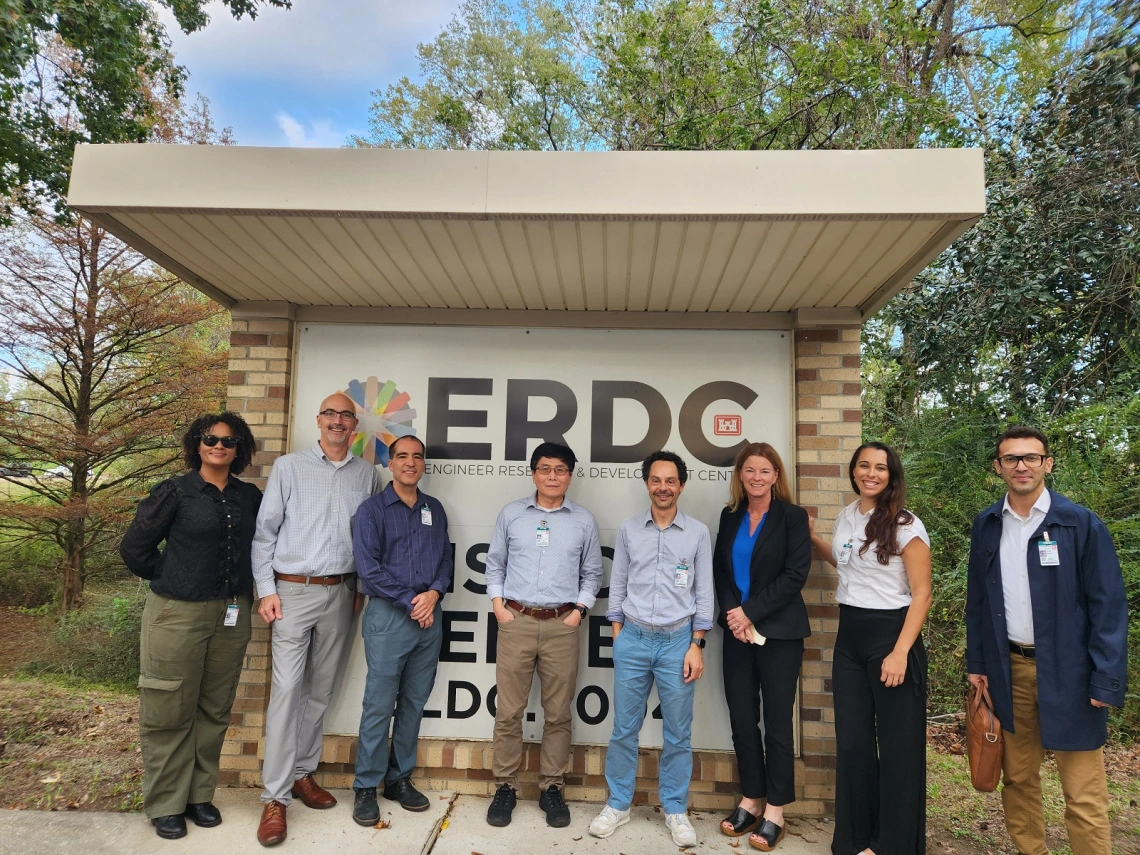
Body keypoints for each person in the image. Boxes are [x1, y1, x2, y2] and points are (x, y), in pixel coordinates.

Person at [966, 425, 1127, 855]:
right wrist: (978, 664)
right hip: (1009, 670)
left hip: (1072, 673)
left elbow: (1108, 606)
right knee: (1019, 780)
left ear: (1047, 464)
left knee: (1084, 793)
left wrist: (1106, 678)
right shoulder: (987, 524)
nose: (1022, 466)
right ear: (998, 467)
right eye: (1012, 459)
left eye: (1031, 457)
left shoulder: (1079, 524)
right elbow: (978, 603)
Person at [120, 412, 262, 840]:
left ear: (240, 449)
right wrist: (174, 575)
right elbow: (134, 548)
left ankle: (200, 796)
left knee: (214, 707)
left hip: (232, 614)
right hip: (177, 613)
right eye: (209, 438)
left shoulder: (249, 497)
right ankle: (167, 802)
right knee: (169, 707)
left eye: (228, 440)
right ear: (196, 444)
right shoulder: (175, 492)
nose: (218, 445)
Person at [252, 392, 383, 847]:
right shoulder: (290, 467)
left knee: (321, 690)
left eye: (346, 416)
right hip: (292, 591)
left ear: (355, 426)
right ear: (319, 420)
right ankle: (275, 797)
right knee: (288, 690)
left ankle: (304, 774)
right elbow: (264, 533)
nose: (338, 421)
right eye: (330, 414)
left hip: (342, 593)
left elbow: (370, 539)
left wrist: (361, 589)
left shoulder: (368, 474)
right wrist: (266, 590)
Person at [808, 442, 932, 855]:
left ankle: (892, 845)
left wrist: (899, 652)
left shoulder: (905, 524)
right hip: (851, 638)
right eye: (864, 465)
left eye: (880, 467)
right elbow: (846, 565)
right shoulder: (847, 516)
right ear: (854, 471)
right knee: (854, 743)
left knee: (898, 748)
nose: (871, 473)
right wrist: (812, 539)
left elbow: (922, 594)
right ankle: (854, 839)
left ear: (891, 475)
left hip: (892, 636)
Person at [588, 450, 712, 848]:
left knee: (678, 733)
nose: (663, 487)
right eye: (656, 480)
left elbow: (704, 594)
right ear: (647, 483)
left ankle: (675, 809)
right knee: (624, 728)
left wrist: (696, 643)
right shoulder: (628, 529)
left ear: (682, 485)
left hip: (679, 642)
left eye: (671, 480)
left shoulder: (697, 533)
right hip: (634, 640)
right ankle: (619, 803)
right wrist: (618, 633)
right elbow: (618, 583)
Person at [484, 441, 603, 828]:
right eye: (545, 468)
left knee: (557, 714)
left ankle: (552, 787)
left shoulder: (583, 520)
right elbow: (495, 564)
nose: (553, 476)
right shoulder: (512, 515)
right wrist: (499, 606)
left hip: (561, 626)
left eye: (561, 470)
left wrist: (579, 611)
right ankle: (505, 786)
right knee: (509, 712)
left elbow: (593, 573)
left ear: (570, 475)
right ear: (533, 472)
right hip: (516, 621)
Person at [350, 435, 452, 826]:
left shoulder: (434, 508)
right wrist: (414, 601)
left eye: (417, 457)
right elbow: (368, 569)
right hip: (391, 618)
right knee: (379, 704)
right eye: (402, 457)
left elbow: (445, 557)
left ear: (424, 464)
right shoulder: (372, 510)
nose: (410, 462)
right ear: (389, 464)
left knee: (413, 702)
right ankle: (365, 785)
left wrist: (435, 593)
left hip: (429, 618)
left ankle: (399, 779)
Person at [713, 442, 810, 852]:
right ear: (740, 475)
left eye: (764, 471)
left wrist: (749, 612)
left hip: (779, 635)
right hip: (737, 634)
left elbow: (795, 575)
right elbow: (720, 571)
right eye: (749, 470)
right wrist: (734, 614)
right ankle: (751, 799)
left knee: (776, 723)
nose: (756, 477)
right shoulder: (730, 515)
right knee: (741, 718)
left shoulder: (791, 517)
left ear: (776, 476)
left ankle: (776, 810)